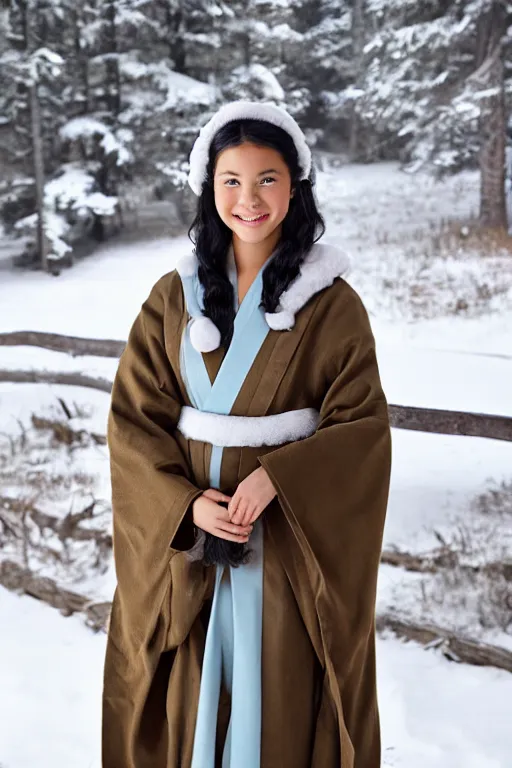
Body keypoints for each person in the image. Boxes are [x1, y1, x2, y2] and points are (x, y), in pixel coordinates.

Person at [101, 99, 392, 768]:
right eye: (231, 180)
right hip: (193, 556)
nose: (249, 198)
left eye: (267, 178)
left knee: (278, 702)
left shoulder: (332, 305)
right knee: (191, 696)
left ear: (295, 186)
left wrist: (278, 478)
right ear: (211, 189)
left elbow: (363, 429)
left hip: (285, 553)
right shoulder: (173, 298)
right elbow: (133, 423)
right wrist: (185, 505)